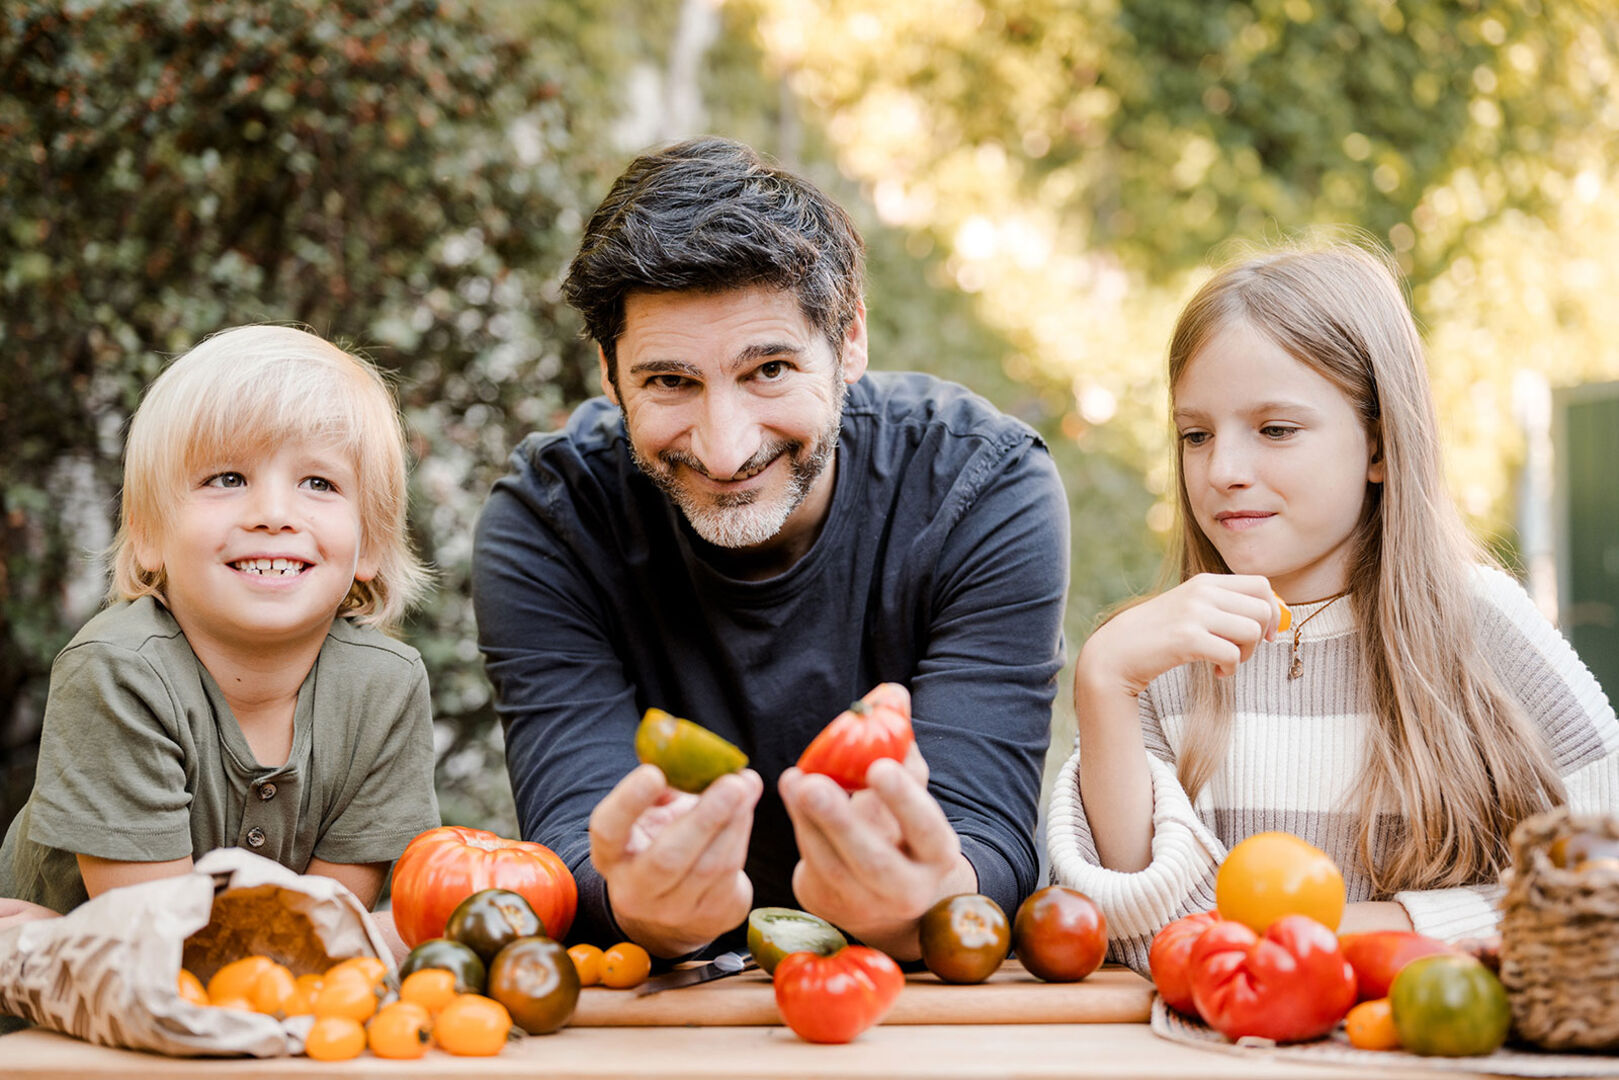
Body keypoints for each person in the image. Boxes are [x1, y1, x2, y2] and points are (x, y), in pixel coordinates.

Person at [473, 137, 1069, 962]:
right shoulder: (549, 523)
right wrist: (641, 908)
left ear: (849, 340)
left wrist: (921, 900)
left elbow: (985, 830)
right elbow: (577, 845)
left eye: (769, 370)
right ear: (608, 377)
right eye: (669, 382)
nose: (723, 451)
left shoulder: (981, 487)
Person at [1047, 239, 1619, 972]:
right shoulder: (1156, 659)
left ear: (1378, 443)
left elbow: (1603, 879)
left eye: (1275, 430)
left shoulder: (1480, 624)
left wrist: (1372, 929)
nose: (1222, 470)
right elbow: (1128, 932)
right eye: (1195, 435)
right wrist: (1102, 682)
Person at [0, 326, 440, 930]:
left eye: (320, 483)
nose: (274, 515)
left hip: (258, 1012)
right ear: (149, 531)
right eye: (227, 479)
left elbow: (318, 934)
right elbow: (162, 941)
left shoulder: (383, 689)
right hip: (64, 1020)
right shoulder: (118, 674)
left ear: (372, 541)